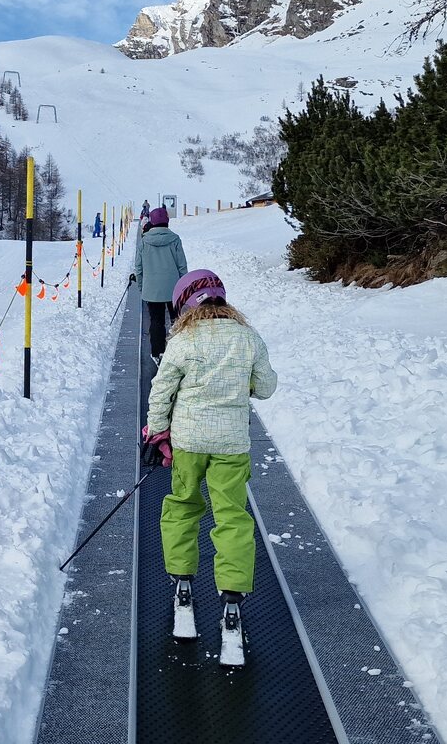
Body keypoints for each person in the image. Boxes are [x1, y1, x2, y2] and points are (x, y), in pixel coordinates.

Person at [140, 269, 277, 666]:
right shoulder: (248, 338)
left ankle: (183, 586)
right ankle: (232, 604)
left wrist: (156, 433)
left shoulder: (182, 341)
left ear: (183, 303)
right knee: (232, 517)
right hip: (231, 444)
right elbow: (266, 387)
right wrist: (241, 384)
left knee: (183, 507)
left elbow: (161, 390)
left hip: (187, 442)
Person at [128, 206, 186, 359]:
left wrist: (142, 287)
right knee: (177, 320)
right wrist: (183, 288)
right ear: (167, 222)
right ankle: (178, 350)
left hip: (151, 289)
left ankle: (157, 353)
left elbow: (138, 268)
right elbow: (182, 266)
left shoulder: (144, 242)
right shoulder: (175, 239)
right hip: (174, 288)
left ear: (152, 223)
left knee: (156, 321)